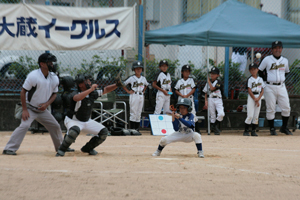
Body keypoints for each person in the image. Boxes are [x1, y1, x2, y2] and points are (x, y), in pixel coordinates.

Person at [3, 53, 65, 155]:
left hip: (43, 109)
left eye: (52, 62)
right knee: (24, 126)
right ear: (42, 64)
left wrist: (46, 104)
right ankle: (9, 148)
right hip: (30, 107)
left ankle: (60, 148)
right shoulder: (33, 76)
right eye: (49, 62)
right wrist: (25, 110)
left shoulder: (54, 77)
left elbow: (54, 94)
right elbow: (23, 92)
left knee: (55, 126)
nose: (51, 64)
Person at [55, 73, 123, 156]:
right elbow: (77, 98)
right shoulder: (75, 93)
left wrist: (117, 85)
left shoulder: (92, 93)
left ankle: (87, 148)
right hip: (72, 120)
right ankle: (62, 149)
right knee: (74, 131)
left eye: (89, 81)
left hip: (86, 121)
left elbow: (105, 89)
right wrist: (90, 89)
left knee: (104, 132)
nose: (89, 82)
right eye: (86, 81)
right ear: (80, 84)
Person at [258, 41, 292, 135]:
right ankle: (272, 129)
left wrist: (281, 79)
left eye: (279, 48)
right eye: (275, 48)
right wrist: (265, 80)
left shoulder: (285, 60)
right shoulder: (267, 59)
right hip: (269, 86)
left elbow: (286, 72)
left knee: (286, 108)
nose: (278, 50)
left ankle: (284, 128)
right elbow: (260, 71)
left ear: (281, 49)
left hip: (281, 86)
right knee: (271, 108)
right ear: (272, 49)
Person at [123, 61, 149, 131]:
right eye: (136, 68)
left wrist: (143, 91)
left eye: (140, 68)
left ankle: (137, 129)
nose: (138, 70)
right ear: (134, 69)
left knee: (139, 112)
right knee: (133, 112)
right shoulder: (131, 78)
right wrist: (128, 91)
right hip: (134, 95)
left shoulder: (143, 78)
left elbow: (146, 85)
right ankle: (132, 129)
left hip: (141, 95)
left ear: (142, 70)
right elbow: (123, 84)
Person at [243, 63, 265, 136]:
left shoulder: (260, 79)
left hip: (259, 96)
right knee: (250, 115)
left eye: (254, 69)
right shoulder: (250, 79)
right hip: (252, 97)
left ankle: (253, 131)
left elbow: (262, 90)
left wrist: (258, 98)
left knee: (256, 115)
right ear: (249, 71)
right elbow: (249, 90)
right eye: (251, 70)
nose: (253, 71)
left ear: (257, 70)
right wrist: (255, 99)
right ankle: (246, 131)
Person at [203, 67, 225, 135]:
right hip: (211, 99)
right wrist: (205, 101)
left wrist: (208, 81)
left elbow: (212, 88)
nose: (212, 75)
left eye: (214, 74)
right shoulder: (208, 83)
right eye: (211, 73)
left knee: (221, 114)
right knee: (212, 115)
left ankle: (214, 126)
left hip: (218, 99)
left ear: (217, 75)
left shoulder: (218, 82)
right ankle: (214, 129)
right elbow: (206, 92)